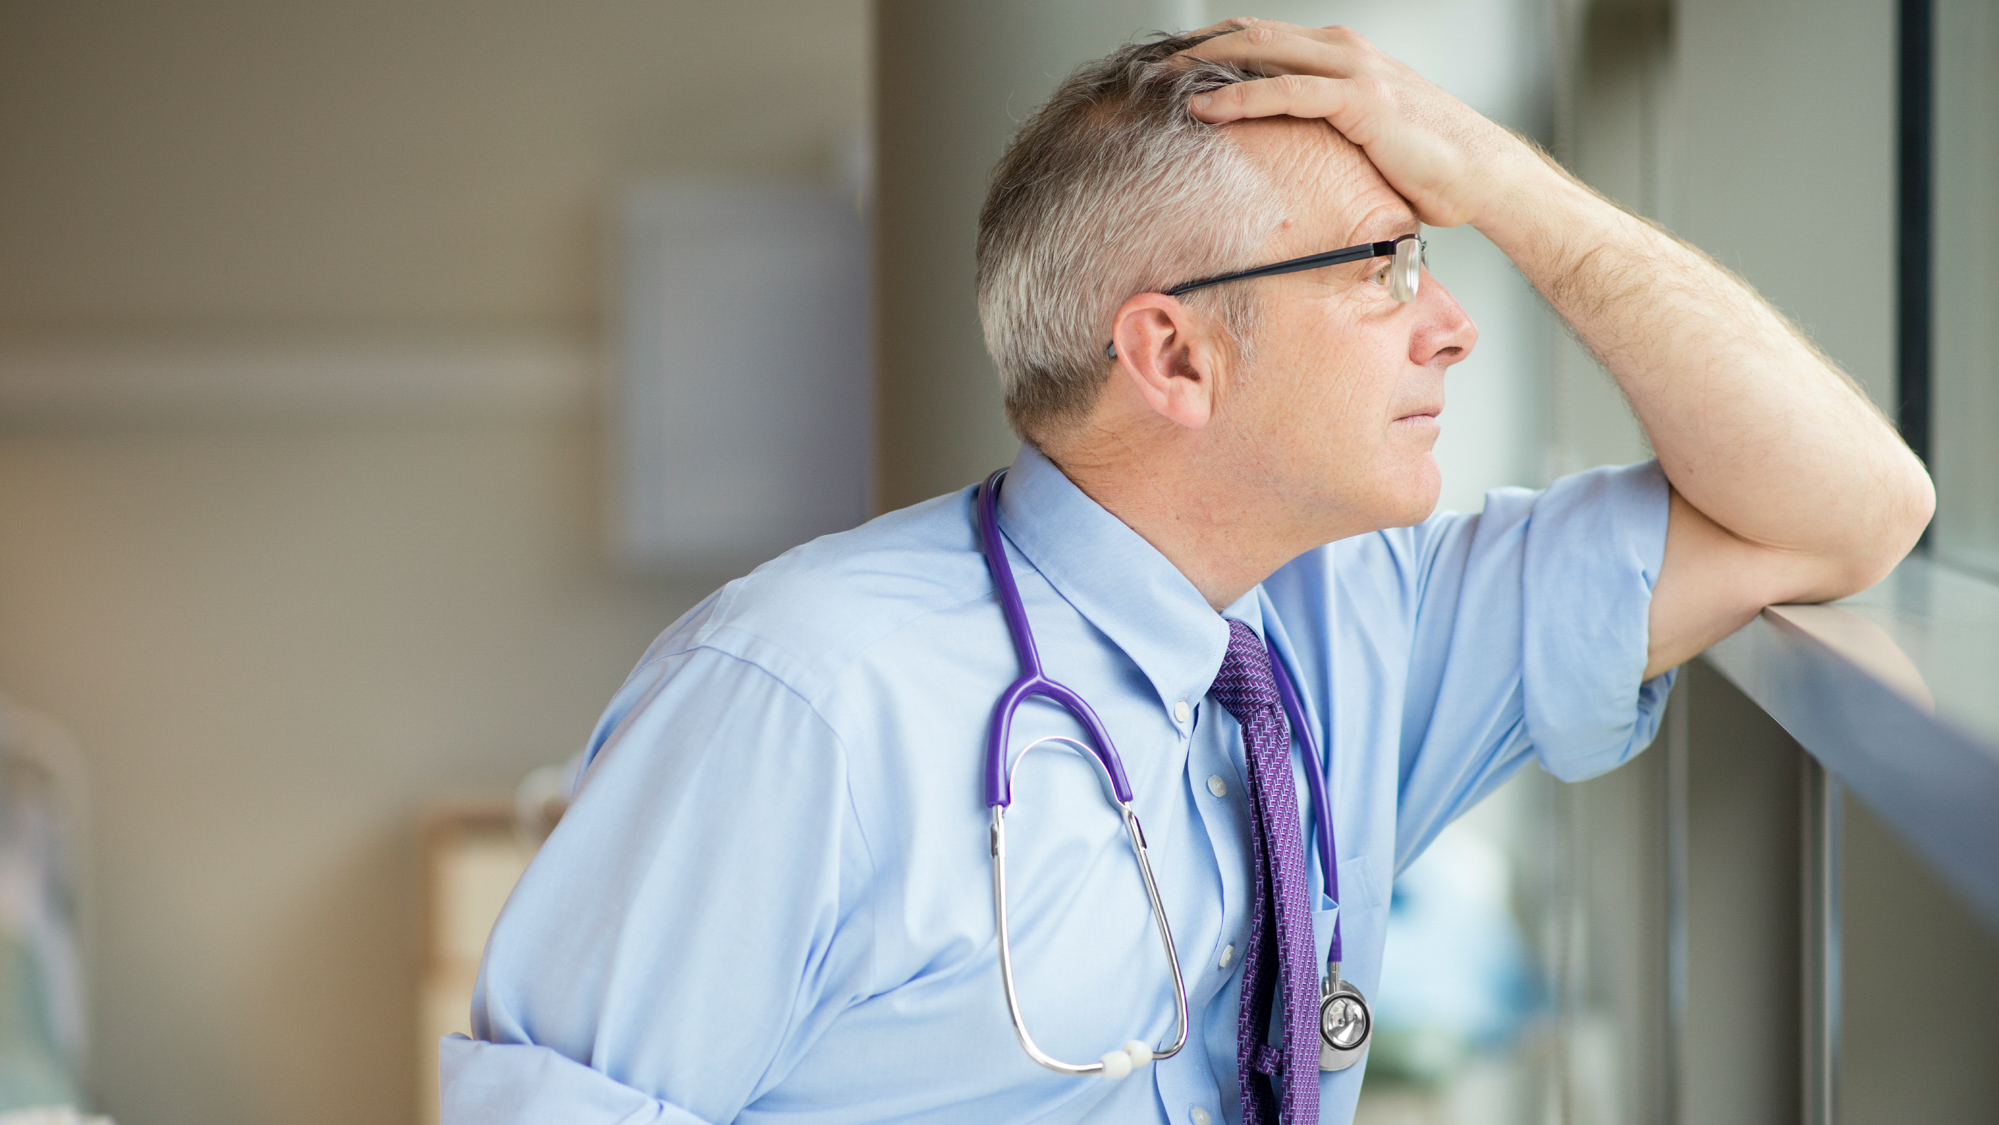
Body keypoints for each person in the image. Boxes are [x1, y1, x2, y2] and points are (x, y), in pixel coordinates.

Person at [439, 21, 1931, 1125]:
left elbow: (1846, 508)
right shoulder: (805, 696)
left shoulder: (1364, 622)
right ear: (1173, 353)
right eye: (1381, 268)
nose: (1450, 325)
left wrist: (1512, 185)